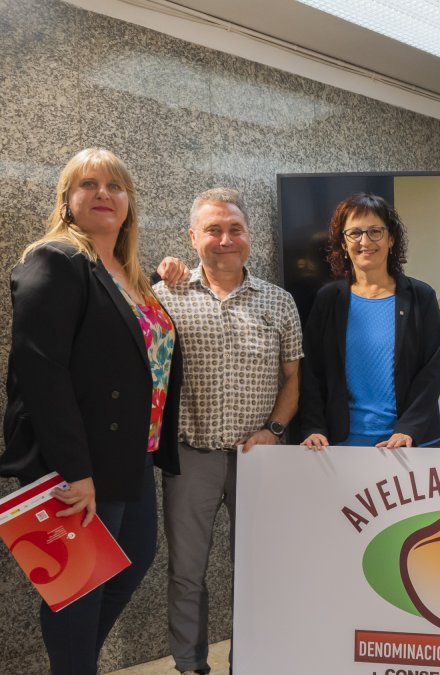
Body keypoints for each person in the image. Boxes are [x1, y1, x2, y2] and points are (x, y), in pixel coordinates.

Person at [0, 148, 182, 675]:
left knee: (131, 565)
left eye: (115, 186)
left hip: (133, 455)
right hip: (80, 464)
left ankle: (74, 665)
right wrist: (73, 471)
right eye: (88, 185)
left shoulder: (131, 276)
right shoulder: (55, 260)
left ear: (129, 205)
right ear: (67, 201)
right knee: (77, 590)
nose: (103, 193)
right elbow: (40, 371)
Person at [153, 188, 302, 675]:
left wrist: (275, 430)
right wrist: (157, 272)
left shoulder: (279, 303)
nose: (225, 239)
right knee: (186, 574)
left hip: (257, 457)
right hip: (189, 455)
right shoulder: (164, 296)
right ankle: (190, 666)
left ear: (249, 238)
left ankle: (251, 662)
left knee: (256, 573)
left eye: (234, 229)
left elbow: (293, 379)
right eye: (213, 229)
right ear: (192, 237)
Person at [300, 193, 440, 449]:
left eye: (375, 231)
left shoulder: (421, 297)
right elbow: (312, 372)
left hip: (410, 444)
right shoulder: (328, 300)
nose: (365, 241)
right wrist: (313, 427)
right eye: (354, 233)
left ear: (391, 238)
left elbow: (430, 373)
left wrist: (407, 430)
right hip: (343, 444)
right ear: (343, 243)